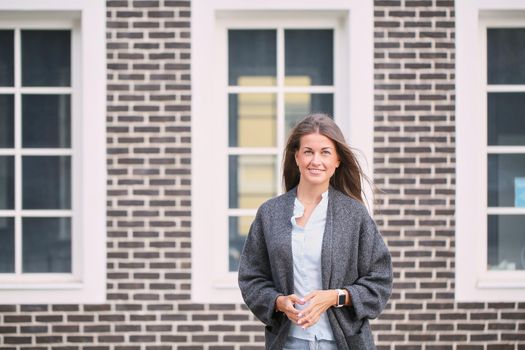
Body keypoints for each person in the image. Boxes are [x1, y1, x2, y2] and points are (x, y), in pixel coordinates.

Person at [238, 114, 393, 350]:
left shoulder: (354, 215)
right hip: (288, 343)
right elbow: (251, 278)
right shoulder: (270, 213)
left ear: (338, 160)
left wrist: (335, 297)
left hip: (343, 344)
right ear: (297, 157)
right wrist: (278, 302)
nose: (316, 160)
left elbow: (380, 281)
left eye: (325, 152)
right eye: (308, 152)